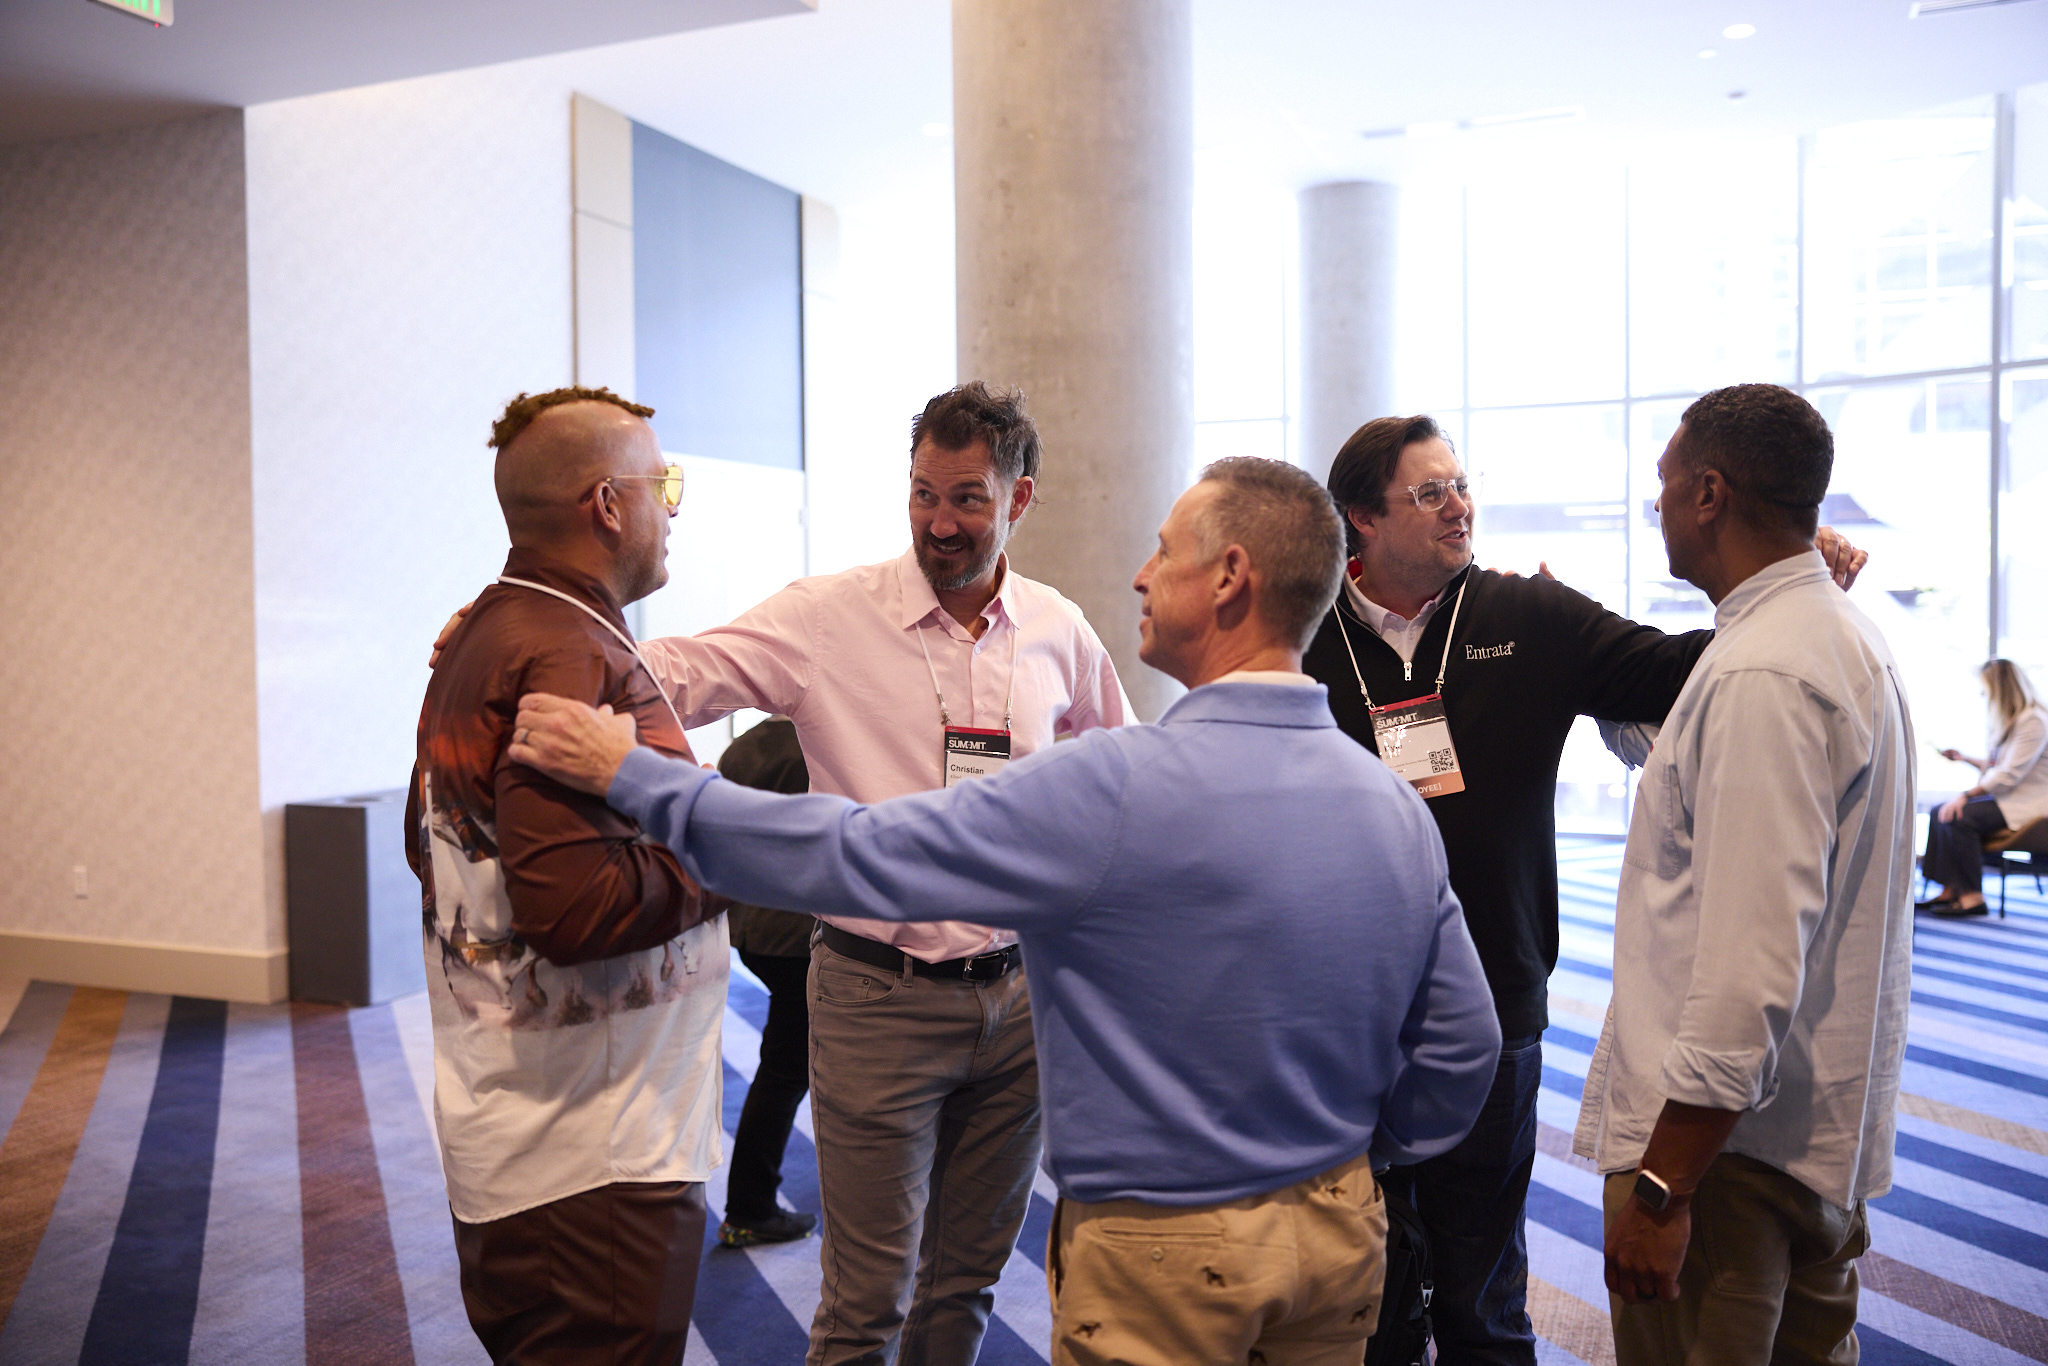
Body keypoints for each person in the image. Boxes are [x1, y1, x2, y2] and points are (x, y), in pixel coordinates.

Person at [508, 456, 1504, 1366]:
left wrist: (637, 779)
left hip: (1164, 1250)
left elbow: (861, 853)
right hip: (1340, 1237)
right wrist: (1354, 1157)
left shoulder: (1110, 784)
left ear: (1231, 576)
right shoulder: (1389, 803)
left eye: (1161, 551)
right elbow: (1463, 1043)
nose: (1138, 577)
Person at [438, 382, 1129, 1364]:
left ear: (1019, 500)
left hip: (1017, 1004)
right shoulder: (830, 617)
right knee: (866, 1296)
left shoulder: (1058, 628)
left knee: (965, 1281)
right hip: (876, 996)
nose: (939, 521)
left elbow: (1118, 775)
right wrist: (532, 630)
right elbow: (672, 666)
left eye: (968, 497)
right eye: (922, 493)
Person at [1299, 415, 1868, 1366]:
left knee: (1482, 1284)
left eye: (1461, 483)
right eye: (1429, 492)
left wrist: (1794, 587)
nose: (1459, 505)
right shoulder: (1307, 634)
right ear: (1361, 517)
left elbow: (1684, 667)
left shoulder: (1529, 617)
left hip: (1494, 999)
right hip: (1341, 1009)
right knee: (1370, 1284)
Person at [1574, 383, 1914, 1364]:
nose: (1657, 507)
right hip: (1796, 1147)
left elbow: (1745, 968)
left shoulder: (1765, 671)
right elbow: (1683, 770)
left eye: (1663, 485)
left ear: (1709, 494)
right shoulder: (1821, 640)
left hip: (1725, 1167)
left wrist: (1659, 1186)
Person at [406, 387, 730, 1366]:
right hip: (593, 1166)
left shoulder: (491, 632)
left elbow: (437, 852)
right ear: (606, 504)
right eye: (661, 483)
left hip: (531, 1138)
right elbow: (574, 907)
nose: (671, 505)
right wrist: (719, 832)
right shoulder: (564, 651)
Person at [715, 716, 821, 1245]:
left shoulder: (744, 746)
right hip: (800, 931)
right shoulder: (826, 742)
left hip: (752, 925)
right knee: (786, 1072)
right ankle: (750, 1206)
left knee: (790, 1066)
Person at [1919, 658, 2048, 916]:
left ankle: (1972, 896)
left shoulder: (2034, 721)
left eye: (1985, 689)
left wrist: (1965, 797)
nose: (1982, 694)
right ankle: (1948, 889)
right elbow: (1998, 766)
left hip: (2028, 806)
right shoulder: (2015, 721)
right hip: (2009, 799)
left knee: (1959, 817)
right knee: (1938, 812)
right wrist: (1965, 758)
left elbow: (2009, 774)